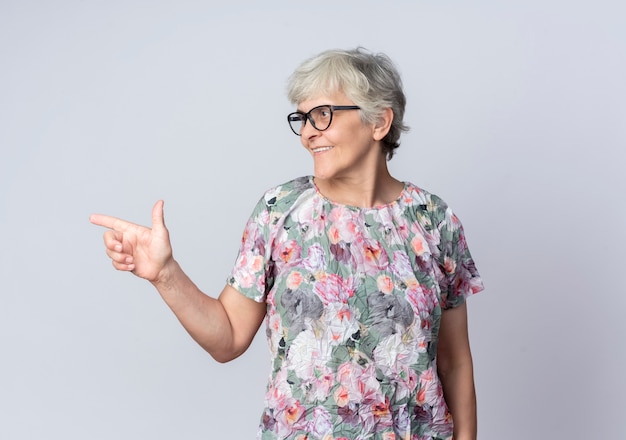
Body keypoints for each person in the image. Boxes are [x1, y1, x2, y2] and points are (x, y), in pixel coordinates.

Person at [90, 47, 484, 440]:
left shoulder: (433, 219)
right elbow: (227, 339)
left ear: (379, 121)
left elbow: (453, 362)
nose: (309, 132)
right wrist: (165, 274)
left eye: (323, 115)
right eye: (303, 118)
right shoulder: (280, 211)